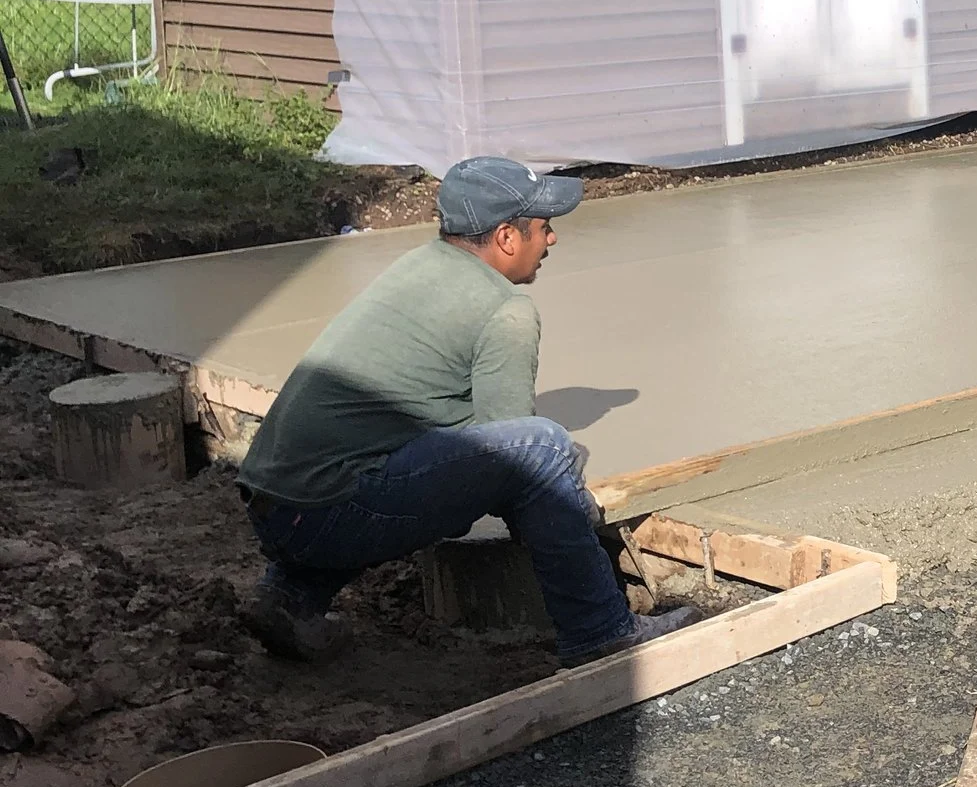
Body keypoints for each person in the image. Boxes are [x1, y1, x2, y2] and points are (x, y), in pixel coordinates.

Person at [235, 156, 694, 666]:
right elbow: (514, 452)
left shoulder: (418, 265)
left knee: (380, 458)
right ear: (506, 237)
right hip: (327, 514)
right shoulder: (507, 311)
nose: (552, 241)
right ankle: (603, 632)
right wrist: (570, 504)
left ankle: (289, 599)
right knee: (544, 447)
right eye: (545, 228)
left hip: (274, 505)